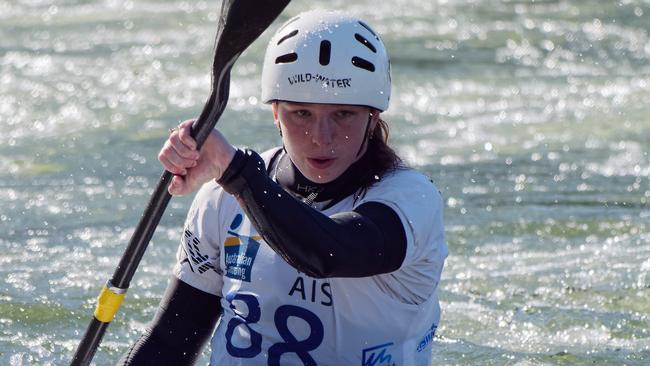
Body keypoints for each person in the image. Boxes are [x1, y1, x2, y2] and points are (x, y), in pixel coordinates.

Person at [119, 9, 447, 366]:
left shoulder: (410, 200)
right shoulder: (222, 200)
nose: (321, 138)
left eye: (343, 114)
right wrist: (235, 178)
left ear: (373, 116)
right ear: (275, 113)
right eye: (301, 113)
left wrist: (235, 172)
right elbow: (169, 343)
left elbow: (329, 254)